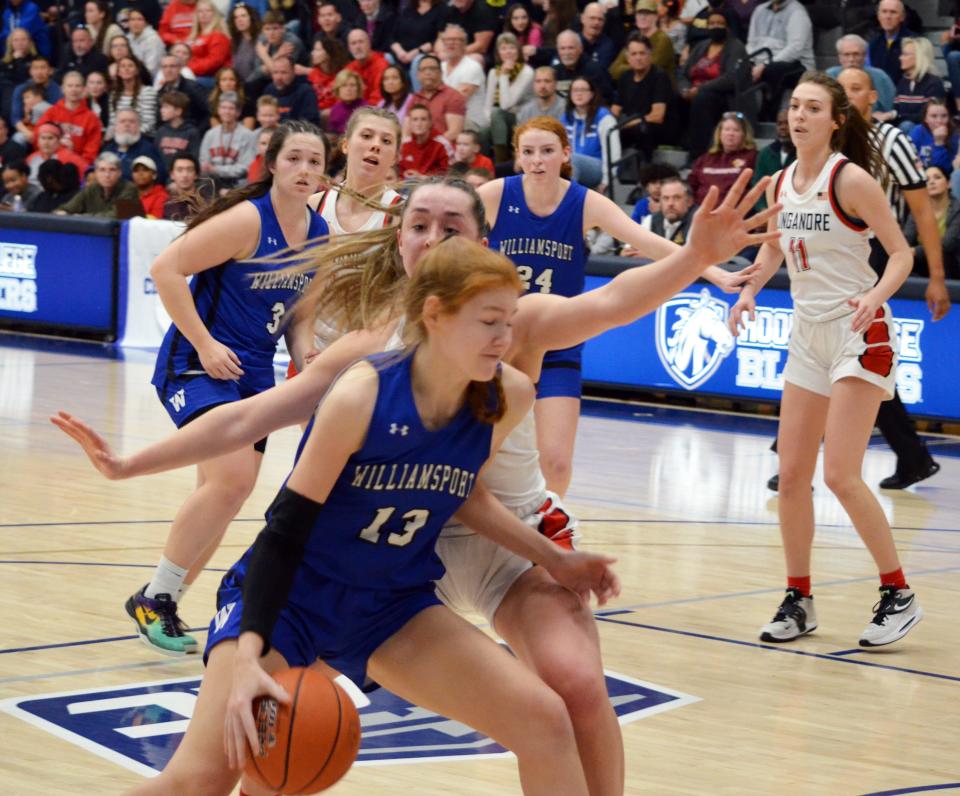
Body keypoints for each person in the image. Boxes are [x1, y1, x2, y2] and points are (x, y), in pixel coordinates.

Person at [54, 170, 779, 796]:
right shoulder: (364, 369)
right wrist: (130, 466)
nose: (431, 238)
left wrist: (692, 259)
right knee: (209, 776)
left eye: (449, 225)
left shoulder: (506, 365)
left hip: (417, 579)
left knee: (557, 707)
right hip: (310, 585)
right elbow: (260, 456)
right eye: (418, 224)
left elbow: (608, 307)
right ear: (403, 246)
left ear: (483, 244)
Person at [113, 122, 330, 657]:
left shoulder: (320, 234)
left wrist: (307, 360)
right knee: (233, 479)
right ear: (273, 163)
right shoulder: (245, 221)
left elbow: (300, 314)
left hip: (254, 371)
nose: (305, 169)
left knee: (225, 492)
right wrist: (206, 343)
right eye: (295, 159)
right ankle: (155, 598)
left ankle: (165, 596)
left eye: (315, 161)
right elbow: (166, 269)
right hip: (199, 361)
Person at [728, 71, 921, 648]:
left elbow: (901, 253)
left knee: (839, 473)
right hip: (807, 333)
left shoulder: (851, 179)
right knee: (790, 475)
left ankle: (898, 593)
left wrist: (875, 295)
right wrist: (748, 290)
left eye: (813, 108)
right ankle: (799, 598)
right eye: (794, 107)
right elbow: (773, 250)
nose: (800, 115)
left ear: (836, 120)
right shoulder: (779, 182)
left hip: (860, 329)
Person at [479, 115, 758, 494]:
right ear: (518, 157)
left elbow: (648, 241)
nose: (538, 161)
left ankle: (548, 541)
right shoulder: (496, 195)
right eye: (528, 152)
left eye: (547, 151)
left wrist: (713, 272)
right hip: (499, 345)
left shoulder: (583, 201)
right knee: (483, 456)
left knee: (556, 462)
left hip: (558, 343)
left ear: (564, 154)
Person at [678, 10, 747, 159]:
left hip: (721, 96)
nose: (715, 27)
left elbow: (731, 78)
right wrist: (684, 90)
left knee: (702, 99)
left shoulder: (736, 47)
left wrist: (700, 89)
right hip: (694, 92)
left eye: (720, 23)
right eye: (712, 23)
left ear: (728, 27)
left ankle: (699, 155)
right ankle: (675, 143)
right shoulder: (701, 46)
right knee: (673, 99)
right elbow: (683, 73)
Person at [611, 32, 673, 163]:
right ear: (627, 58)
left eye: (642, 53)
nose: (638, 58)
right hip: (629, 126)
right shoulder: (625, 77)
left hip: (657, 129)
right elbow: (615, 109)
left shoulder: (659, 76)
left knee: (643, 129)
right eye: (634, 54)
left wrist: (626, 124)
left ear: (650, 55)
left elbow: (657, 116)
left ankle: (645, 172)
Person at [36, 70, 103, 171]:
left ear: (84, 89)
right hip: (49, 163)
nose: (74, 90)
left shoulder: (92, 118)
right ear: (62, 89)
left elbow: (91, 152)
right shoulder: (51, 112)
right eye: (70, 86)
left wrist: (75, 160)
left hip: (76, 167)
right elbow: (38, 138)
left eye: (77, 86)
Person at [687, 112, 758, 205]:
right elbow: (691, 185)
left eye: (736, 130)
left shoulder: (753, 157)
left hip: (734, 213)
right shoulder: (705, 158)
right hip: (702, 212)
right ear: (719, 133)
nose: (731, 134)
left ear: (744, 134)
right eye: (727, 129)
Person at [563, 76, 619, 192]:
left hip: (596, 168)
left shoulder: (604, 117)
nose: (579, 94)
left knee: (571, 159)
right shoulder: (565, 119)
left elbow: (613, 152)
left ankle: (569, 200)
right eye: (575, 90)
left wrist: (606, 180)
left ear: (592, 94)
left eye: (583, 90)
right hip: (572, 166)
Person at [484, 32, 534, 163]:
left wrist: (504, 75)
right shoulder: (493, 72)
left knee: (497, 113)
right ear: (498, 52)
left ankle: (501, 161)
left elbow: (506, 104)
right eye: (503, 48)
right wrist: (489, 122)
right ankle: (485, 167)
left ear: (518, 50)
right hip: (499, 121)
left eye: (512, 48)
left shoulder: (527, 72)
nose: (508, 52)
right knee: (483, 131)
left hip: (520, 119)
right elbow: (488, 103)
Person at [905, 164, 960, 279]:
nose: (931, 182)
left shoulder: (958, 209)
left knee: (944, 255)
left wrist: (915, 251)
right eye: (927, 179)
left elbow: (948, 244)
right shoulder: (917, 208)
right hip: (920, 263)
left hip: (950, 264)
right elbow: (907, 238)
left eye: (937, 177)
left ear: (949, 183)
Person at [824, 34, 895, 118]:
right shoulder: (829, 76)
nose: (851, 59)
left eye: (856, 54)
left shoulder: (880, 77)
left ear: (864, 56)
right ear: (839, 57)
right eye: (846, 54)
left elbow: (890, 108)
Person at [55, 150, 144, 216]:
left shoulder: (129, 189)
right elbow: (67, 208)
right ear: (96, 173)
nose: (107, 175)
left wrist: (81, 217)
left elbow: (117, 216)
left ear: (119, 173)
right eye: (102, 170)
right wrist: (62, 213)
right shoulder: (91, 188)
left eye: (112, 170)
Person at [199, 93, 257, 190]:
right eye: (223, 107)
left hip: (237, 184)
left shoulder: (248, 135)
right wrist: (211, 170)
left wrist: (217, 170)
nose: (227, 111)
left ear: (238, 112)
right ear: (218, 110)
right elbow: (204, 162)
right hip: (213, 183)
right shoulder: (210, 134)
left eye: (231, 108)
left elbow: (245, 167)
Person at [887, 38, 945, 133]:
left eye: (905, 54)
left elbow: (927, 116)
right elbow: (896, 110)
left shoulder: (934, 83)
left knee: (906, 126)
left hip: (928, 133)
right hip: (904, 130)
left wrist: (894, 115)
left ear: (919, 57)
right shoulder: (903, 82)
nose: (900, 57)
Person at [609, 0, 675, 83]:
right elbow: (614, 70)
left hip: (660, 91)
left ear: (656, 17)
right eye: (639, 13)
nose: (643, 17)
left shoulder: (663, 40)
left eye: (647, 13)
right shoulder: (634, 38)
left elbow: (648, 71)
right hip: (636, 89)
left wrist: (630, 64)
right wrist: (636, 66)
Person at [410, 54, 465, 144]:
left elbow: (454, 133)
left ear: (441, 73)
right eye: (423, 69)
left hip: (444, 151)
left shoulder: (453, 96)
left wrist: (430, 147)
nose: (428, 72)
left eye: (432, 69)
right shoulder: (414, 99)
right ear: (418, 75)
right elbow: (407, 132)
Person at [441, 24, 486, 133]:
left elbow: (457, 100)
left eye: (456, 40)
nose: (451, 43)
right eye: (448, 40)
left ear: (464, 44)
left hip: (471, 123)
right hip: (445, 118)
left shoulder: (472, 66)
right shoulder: (440, 67)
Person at [104, 108, 167, 183]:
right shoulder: (108, 149)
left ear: (139, 126)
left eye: (132, 121)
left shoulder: (148, 149)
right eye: (122, 121)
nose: (127, 125)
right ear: (115, 126)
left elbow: (160, 175)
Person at [866, 0, 916, 88]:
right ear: (878, 16)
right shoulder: (873, 43)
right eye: (884, 12)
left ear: (902, 17)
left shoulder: (914, 42)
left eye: (893, 12)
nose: (888, 16)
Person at [108, 54, 158, 137]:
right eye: (122, 66)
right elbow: (113, 122)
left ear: (137, 70)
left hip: (143, 137)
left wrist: (130, 136)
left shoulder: (147, 92)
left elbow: (149, 123)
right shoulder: (114, 94)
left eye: (130, 66)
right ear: (118, 72)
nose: (126, 69)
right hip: (119, 137)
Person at [264, 55, 321, 125]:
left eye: (283, 72)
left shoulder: (305, 91)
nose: (278, 77)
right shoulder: (269, 90)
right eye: (275, 72)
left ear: (294, 72)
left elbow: (309, 123)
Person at [640, 174, 695, 244]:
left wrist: (650, 252)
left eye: (676, 198)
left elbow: (692, 254)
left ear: (689, 201)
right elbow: (628, 251)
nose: (670, 203)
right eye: (666, 198)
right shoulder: (650, 220)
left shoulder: (699, 223)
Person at [909, 98, 958, 176]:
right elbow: (910, 160)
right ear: (925, 118)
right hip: (921, 178)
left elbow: (943, 171)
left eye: (944, 116)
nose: (939, 121)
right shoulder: (917, 132)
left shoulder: (954, 136)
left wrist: (939, 143)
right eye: (934, 116)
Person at [187, 0, 232, 82]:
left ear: (214, 14)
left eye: (208, 10)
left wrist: (189, 68)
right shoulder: (193, 36)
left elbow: (214, 62)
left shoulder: (219, 36)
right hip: (192, 73)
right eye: (200, 11)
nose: (204, 14)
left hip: (212, 77)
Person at [155, 90, 201, 169]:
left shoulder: (191, 132)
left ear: (178, 111)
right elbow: (156, 156)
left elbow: (194, 158)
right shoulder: (161, 131)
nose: (161, 110)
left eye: (166, 107)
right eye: (162, 107)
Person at [399, 103, 449, 176]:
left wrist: (421, 177)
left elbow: (445, 176)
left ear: (430, 123)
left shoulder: (442, 144)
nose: (419, 124)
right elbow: (398, 174)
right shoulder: (404, 145)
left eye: (423, 119)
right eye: (415, 119)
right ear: (409, 123)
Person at [345, 28, 387, 105]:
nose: (358, 47)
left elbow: (379, 96)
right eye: (353, 43)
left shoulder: (381, 64)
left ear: (369, 43)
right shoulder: (348, 69)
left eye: (361, 42)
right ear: (349, 48)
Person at [227, 2, 261, 85]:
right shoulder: (235, 41)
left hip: (255, 85)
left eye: (243, 16)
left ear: (251, 18)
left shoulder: (261, 39)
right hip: (239, 86)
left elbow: (259, 71)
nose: (239, 20)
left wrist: (244, 85)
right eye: (236, 17)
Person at [325, 68, 367, 135]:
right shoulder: (335, 108)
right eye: (344, 85)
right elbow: (332, 133)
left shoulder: (365, 109)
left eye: (352, 85)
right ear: (338, 89)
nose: (348, 89)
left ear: (358, 88)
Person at [127, 7, 165, 75]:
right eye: (132, 19)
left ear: (146, 22)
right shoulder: (128, 38)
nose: (135, 23)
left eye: (140, 19)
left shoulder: (153, 40)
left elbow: (151, 69)